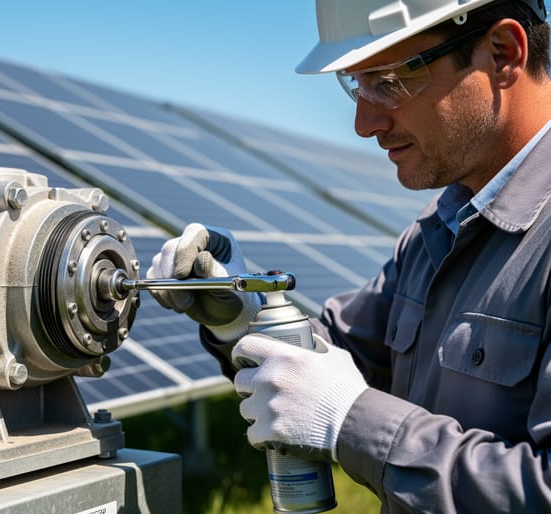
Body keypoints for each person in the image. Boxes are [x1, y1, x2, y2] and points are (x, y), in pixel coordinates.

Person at [147, 0, 551, 511]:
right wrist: (240, 316)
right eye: (356, 85)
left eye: (389, 80)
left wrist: (350, 420)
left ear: (503, 53)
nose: (364, 123)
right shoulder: (439, 230)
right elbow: (339, 355)